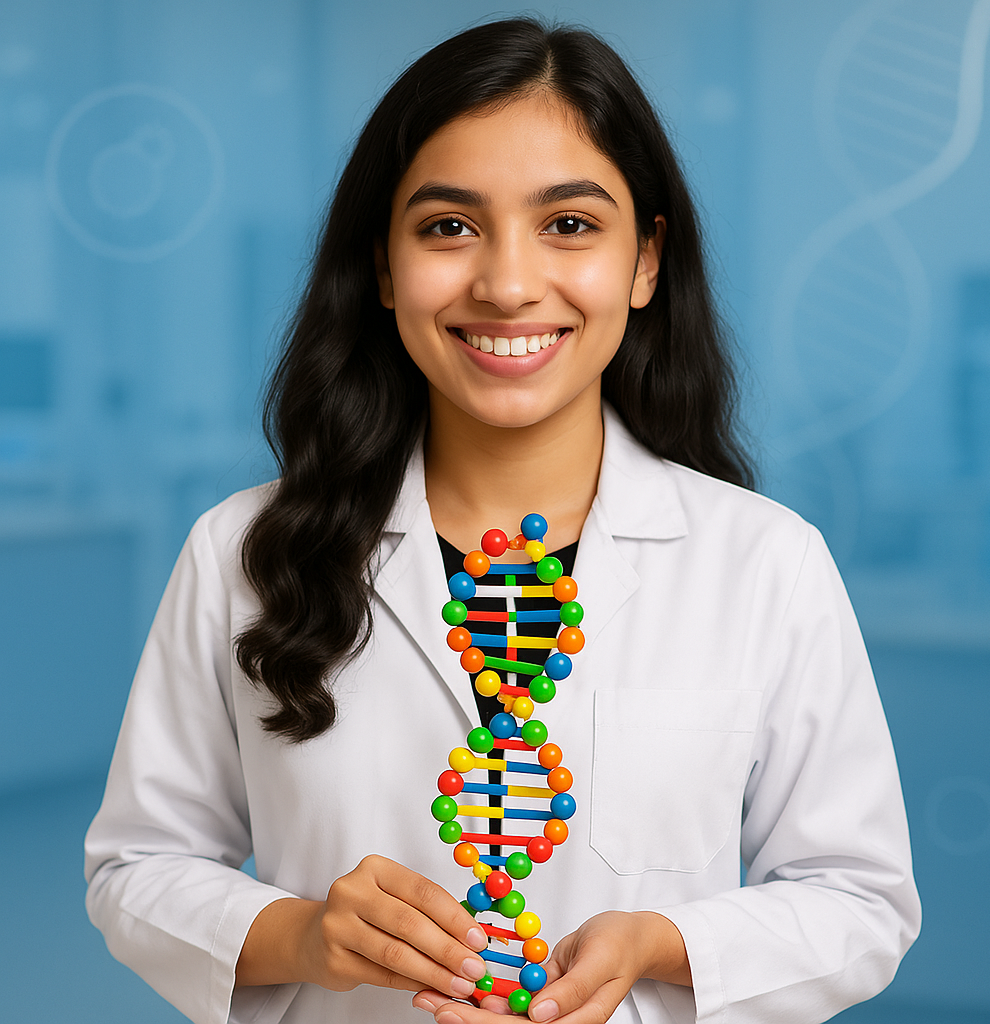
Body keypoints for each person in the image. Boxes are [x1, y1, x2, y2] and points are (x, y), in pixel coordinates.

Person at [84, 17, 920, 1024]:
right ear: (385, 268)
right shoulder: (245, 553)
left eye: (569, 224)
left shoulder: (761, 562)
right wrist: (307, 934)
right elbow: (138, 869)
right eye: (448, 227)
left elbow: (858, 899)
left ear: (645, 261)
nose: (509, 283)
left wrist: (661, 944)